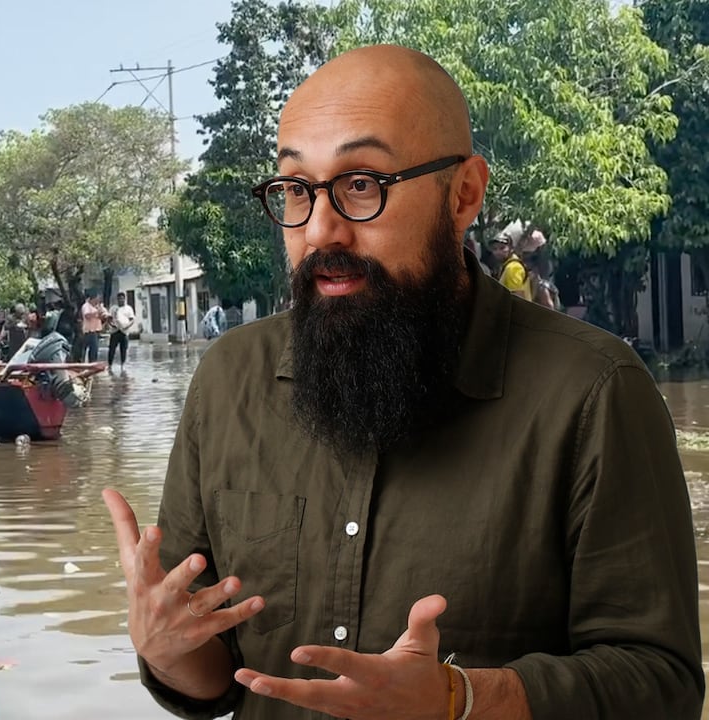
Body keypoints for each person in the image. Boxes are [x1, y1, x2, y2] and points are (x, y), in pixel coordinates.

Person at [103, 44, 702, 720]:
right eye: (297, 190)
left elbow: (662, 686)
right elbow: (212, 680)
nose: (320, 229)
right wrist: (164, 647)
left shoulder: (594, 392)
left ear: (464, 195)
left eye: (362, 185)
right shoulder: (229, 379)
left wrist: (463, 699)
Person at [107, 292, 136, 368]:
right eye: (119, 299)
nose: (121, 300)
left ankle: (122, 366)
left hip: (124, 332)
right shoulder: (113, 308)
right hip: (115, 331)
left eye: (122, 299)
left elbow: (132, 320)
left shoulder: (128, 308)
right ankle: (110, 365)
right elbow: (109, 319)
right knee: (112, 349)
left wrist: (127, 326)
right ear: (117, 299)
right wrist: (112, 325)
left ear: (125, 299)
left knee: (123, 350)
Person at [80, 294, 104, 362]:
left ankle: (92, 363)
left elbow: (100, 317)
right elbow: (87, 315)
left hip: (96, 330)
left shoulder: (96, 306)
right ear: (93, 299)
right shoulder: (86, 306)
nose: (98, 300)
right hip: (89, 331)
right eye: (97, 298)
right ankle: (88, 363)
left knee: (94, 350)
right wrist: (96, 312)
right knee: (92, 349)